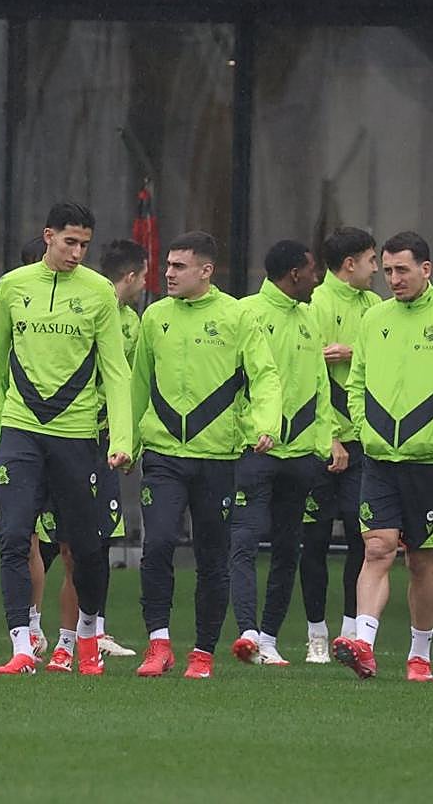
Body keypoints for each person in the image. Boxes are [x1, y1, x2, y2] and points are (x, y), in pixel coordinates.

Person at [0, 201, 133, 675]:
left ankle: (86, 634)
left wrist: (121, 438)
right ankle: (23, 646)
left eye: (85, 244)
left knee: (86, 547)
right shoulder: (13, 287)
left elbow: (116, 371)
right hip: (21, 430)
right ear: (48, 236)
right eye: (69, 242)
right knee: (15, 537)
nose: (77, 252)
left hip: (77, 437)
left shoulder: (100, 292)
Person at [334, 231, 433, 681]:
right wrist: (365, 427)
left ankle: (419, 653)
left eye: (402, 270)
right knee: (377, 548)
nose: (393, 279)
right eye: (386, 270)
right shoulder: (374, 318)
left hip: (430, 462)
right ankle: (363, 643)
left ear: (426, 269)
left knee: (421, 559)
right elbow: (357, 380)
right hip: (380, 459)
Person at [133, 231, 280, 678]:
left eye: (179, 266)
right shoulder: (155, 316)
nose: (168, 273)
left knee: (212, 557)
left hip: (218, 458)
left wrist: (265, 425)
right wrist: (125, 439)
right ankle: (158, 644)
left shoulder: (238, 316)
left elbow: (265, 376)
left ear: (206, 271)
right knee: (157, 544)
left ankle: (202, 652)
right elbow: (138, 382)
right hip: (162, 454)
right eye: (168, 265)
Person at [231, 240, 343, 666]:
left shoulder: (309, 318)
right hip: (254, 450)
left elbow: (319, 385)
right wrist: (250, 431)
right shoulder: (248, 313)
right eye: (313, 270)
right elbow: (242, 380)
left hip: (301, 457)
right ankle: (247, 632)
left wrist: (322, 443)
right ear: (295, 273)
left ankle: (270, 638)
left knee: (288, 548)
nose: (317, 278)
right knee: (243, 541)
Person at [42, 237, 149, 670]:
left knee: (93, 539)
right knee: (44, 539)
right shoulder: (84, 304)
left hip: (106, 441)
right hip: (70, 435)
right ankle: (34, 630)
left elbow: (128, 381)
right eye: (144, 276)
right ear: (131, 276)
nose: (146, 285)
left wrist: (126, 438)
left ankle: (91, 630)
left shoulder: (133, 324)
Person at [299, 227, 381, 662]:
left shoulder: (376, 307)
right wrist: (330, 436)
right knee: (313, 541)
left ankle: (351, 632)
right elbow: (311, 380)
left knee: (362, 537)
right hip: (322, 444)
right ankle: (316, 634)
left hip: (364, 443)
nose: (377, 270)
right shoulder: (315, 305)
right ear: (350, 264)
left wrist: (355, 352)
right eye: (371, 260)